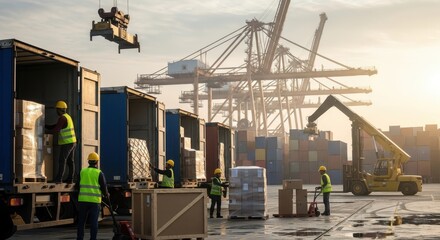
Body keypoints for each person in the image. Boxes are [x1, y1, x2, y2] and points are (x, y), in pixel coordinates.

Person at [76, 152, 109, 240]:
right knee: (93, 222)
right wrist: (106, 195)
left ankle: (80, 238)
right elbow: (103, 187)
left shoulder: (82, 172)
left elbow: (77, 186)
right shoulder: (99, 173)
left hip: (83, 201)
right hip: (95, 202)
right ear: (97, 162)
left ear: (88, 161)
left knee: (81, 222)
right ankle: (93, 238)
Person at [45, 100, 76, 184]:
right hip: (72, 142)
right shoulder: (67, 117)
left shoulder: (62, 118)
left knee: (62, 160)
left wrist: (44, 133)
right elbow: (56, 126)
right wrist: (47, 126)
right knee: (70, 161)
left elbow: (56, 130)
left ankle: (59, 179)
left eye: (57, 110)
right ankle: (70, 179)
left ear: (60, 109)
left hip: (67, 143)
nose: (56, 112)